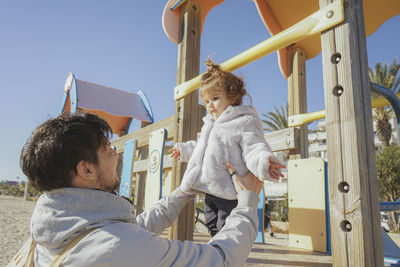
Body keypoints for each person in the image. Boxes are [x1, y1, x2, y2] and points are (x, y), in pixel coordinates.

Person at [10, 112, 264, 267]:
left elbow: (134, 229)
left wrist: (184, 191)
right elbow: (220, 259)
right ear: (86, 171)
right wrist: (247, 201)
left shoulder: (47, 232)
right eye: (108, 149)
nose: (116, 153)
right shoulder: (117, 248)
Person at [170, 59, 286, 236]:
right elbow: (201, 148)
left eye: (215, 99)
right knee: (211, 224)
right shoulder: (209, 124)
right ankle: (219, 254)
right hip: (209, 188)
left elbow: (254, 146)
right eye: (206, 101)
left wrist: (264, 161)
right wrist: (184, 150)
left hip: (230, 191)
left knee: (227, 228)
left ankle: (226, 257)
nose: (209, 105)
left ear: (231, 97)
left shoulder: (243, 121)